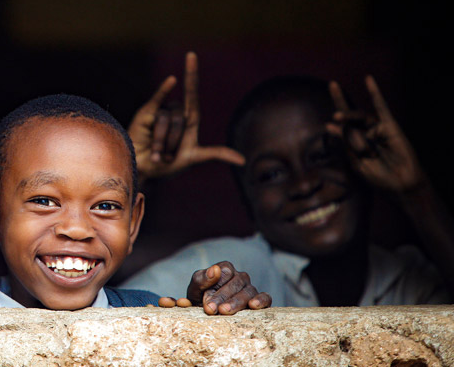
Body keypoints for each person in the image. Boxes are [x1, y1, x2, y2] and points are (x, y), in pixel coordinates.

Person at [122, 75, 454, 306]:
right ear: (246, 200)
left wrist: (416, 193)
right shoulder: (221, 267)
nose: (305, 184)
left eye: (323, 156)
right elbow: (96, 315)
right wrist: (133, 173)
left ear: (362, 162)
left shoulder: (411, 281)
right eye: (272, 174)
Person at [0, 94, 271, 311]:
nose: (77, 229)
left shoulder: (153, 314)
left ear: (133, 223)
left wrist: (206, 320)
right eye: (44, 201)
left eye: (105, 206)